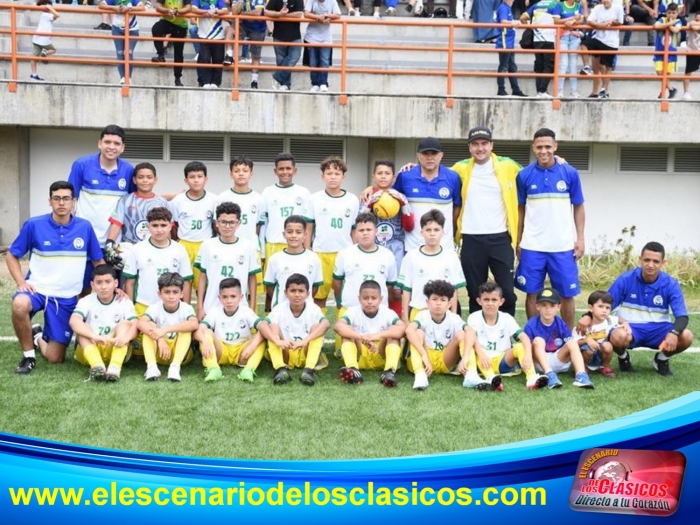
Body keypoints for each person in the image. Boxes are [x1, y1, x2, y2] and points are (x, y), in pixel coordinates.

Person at [8, 181, 104, 374]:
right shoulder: (34, 224)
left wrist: (110, 285)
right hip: (37, 289)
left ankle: (37, 336)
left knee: (55, 358)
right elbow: (12, 255)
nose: (62, 203)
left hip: (66, 296)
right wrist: (21, 282)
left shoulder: (84, 227)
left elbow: (97, 262)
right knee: (19, 304)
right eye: (57, 198)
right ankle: (28, 356)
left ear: (74, 201)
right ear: (49, 201)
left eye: (66, 198)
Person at [577, 242, 694, 376]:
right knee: (617, 335)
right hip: (630, 328)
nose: (650, 265)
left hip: (659, 328)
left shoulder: (671, 284)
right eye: (647, 260)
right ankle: (623, 357)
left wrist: (673, 333)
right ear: (640, 259)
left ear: (663, 262)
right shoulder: (626, 279)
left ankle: (661, 359)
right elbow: (605, 303)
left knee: (686, 336)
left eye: (656, 261)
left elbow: (682, 317)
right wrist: (587, 316)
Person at [515, 128, 585, 329]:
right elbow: (520, 210)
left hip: (562, 246)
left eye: (548, 146)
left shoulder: (569, 173)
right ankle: (533, 335)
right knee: (532, 293)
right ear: (533, 148)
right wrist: (518, 241)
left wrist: (580, 239)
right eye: (539, 147)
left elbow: (578, 206)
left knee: (566, 294)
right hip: (532, 245)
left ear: (555, 147)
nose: (543, 151)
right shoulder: (524, 175)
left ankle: (567, 338)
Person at [453, 126, 521, 317]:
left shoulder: (507, 165)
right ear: (469, 148)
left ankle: (506, 333)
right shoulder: (460, 168)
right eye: (475, 144)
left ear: (491, 145)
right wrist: (410, 167)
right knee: (475, 291)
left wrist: (557, 160)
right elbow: (434, 173)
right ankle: (476, 333)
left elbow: (534, 172)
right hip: (471, 239)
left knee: (507, 291)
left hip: (500, 238)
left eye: (484, 143)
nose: (480, 148)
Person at [68, 125, 136, 289]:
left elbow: (134, 201)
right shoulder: (82, 165)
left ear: (122, 147)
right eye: (107, 142)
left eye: (116, 143)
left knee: (112, 290)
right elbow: (70, 199)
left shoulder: (128, 170)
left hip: (114, 243)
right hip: (85, 239)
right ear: (100, 143)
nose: (111, 147)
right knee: (82, 288)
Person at [462, 281, 549, 391]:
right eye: (486, 300)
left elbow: (523, 337)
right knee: (470, 345)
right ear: (479, 301)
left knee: (519, 346)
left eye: (494, 300)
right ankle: (491, 378)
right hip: (482, 360)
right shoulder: (474, 317)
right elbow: (471, 338)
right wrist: (481, 354)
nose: (490, 303)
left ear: (501, 301)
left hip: (502, 361)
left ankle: (531, 377)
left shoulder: (507, 318)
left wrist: (528, 354)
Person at [359, 160, 414, 317]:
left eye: (387, 173)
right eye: (379, 173)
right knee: (373, 289)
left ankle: (395, 326)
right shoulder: (367, 196)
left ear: (393, 176)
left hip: (395, 248)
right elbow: (359, 223)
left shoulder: (399, 196)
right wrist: (369, 205)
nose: (383, 177)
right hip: (374, 248)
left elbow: (409, 226)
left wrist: (403, 203)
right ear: (373, 176)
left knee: (396, 291)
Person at [302, 156, 359, 310]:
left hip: (345, 253)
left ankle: (343, 332)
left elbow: (354, 230)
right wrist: (307, 251)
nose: (333, 177)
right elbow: (309, 228)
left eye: (337, 173)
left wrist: (356, 250)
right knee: (319, 296)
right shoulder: (314, 199)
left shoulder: (352, 199)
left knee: (345, 297)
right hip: (321, 253)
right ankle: (318, 331)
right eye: (329, 173)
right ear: (323, 176)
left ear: (343, 177)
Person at [123, 207, 194, 327]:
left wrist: (185, 308)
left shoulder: (179, 249)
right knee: (143, 343)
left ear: (170, 226)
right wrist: (131, 310)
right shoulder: (137, 249)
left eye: (163, 225)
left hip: (172, 308)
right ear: (148, 226)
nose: (159, 230)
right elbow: (130, 282)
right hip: (144, 305)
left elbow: (186, 282)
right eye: (155, 225)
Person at [194, 277, 273, 382]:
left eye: (233, 296)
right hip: (221, 352)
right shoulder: (214, 311)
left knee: (261, 335)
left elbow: (263, 326)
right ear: (219, 298)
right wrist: (204, 341)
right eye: (225, 297)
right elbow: (199, 330)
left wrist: (253, 345)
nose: (229, 301)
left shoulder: (246, 311)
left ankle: (248, 370)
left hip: (242, 352)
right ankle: (213, 369)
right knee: (206, 332)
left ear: (240, 297)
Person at [391, 137, 462, 252]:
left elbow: (457, 207)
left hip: (444, 246)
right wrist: (371, 189)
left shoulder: (453, 177)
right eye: (425, 153)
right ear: (418, 155)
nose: (429, 157)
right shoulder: (405, 176)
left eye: (434, 153)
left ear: (441, 155)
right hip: (413, 246)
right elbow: (391, 197)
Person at [259, 153, 310, 310]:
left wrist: (306, 248)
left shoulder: (304, 193)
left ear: (295, 170)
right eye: (281, 169)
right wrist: (262, 250)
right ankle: (271, 317)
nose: (285, 172)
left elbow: (308, 224)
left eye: (288, 168)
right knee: (272, 287)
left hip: (297, 245)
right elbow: (263, 223)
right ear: (275, 171)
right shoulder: (267, 192)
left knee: (298, 284)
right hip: (273, 244)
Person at [70, 264, 138, 381]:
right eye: (99, 282)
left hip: (116, 346)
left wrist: (125, 339)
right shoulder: (86, 301)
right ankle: (97, 365)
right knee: (83, 327)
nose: (104, 286)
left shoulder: (124, 301)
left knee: (125, 324)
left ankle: (115, 367)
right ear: (92, 285)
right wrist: (94, 336)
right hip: (92, 346)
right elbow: (73, 321)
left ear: (116, 283)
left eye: (108, 282)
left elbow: (136, 324)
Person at [398, 209, 466, 325]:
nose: (432, 233)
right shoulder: (411, 256)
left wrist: (454, 315)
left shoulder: (451, 256)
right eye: (428, 230)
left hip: (445, 313)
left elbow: (454, 290)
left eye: (436, 230)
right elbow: (406, 290)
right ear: (421, 232)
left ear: (443, 232)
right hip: (418, 311)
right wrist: (405, 317)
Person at [194, 202, 261, 318]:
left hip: (240, 307)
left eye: (231, 222)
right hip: (212, 306)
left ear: (238, 223)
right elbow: (202, 277)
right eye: (223, 222)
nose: (227, 226)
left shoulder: (248, 246)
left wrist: (252, 307)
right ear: (217, 223)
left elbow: (252, 278)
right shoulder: (207, 245)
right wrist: (200, 307)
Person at [334, 280, 406, 387]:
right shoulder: (352, 311)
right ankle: (353, 369)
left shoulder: (387, 312)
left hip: (380, 353)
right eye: (365, 298)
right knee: (347, 331)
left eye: (374, 298)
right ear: (359, 299)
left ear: (381, 299)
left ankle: (389, 372)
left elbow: (402, 328)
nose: (369, 301)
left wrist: (378, 335)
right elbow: (337, 326)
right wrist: (361, 337)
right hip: (361, 353)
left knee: (393, 332)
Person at [266, 273, 331, 386]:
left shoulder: (313, 308)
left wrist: (304, 341)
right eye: (293, 291)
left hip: (304, 350)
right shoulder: (279, 309)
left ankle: (309, 370)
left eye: (301, 291)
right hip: (285, 351)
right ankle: (280, 369)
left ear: (308, 294)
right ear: (285, 293)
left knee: (317, 327)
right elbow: (262, 325)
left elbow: (326, 324)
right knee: (272, 327)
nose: (297, 295)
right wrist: (278, 341)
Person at [524, 288, 595, 388]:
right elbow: (526, 347)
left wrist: (584, 341)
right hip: (539, 362)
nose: (548, 310)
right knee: (538, 340)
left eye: (552, 306)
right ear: (537, 306)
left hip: (558, 359)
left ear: (559, 307)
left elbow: (570, 344)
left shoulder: (560, 323)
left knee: (571, 342)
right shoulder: (531, 324)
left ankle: (581, 375)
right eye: (544, 305)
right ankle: (549, 375)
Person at [405, 280, 468, 391]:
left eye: (443, 300)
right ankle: (420, 375)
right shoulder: (422, 315)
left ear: (449, 304)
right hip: (425, 358)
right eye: (434, 299)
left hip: (445, 359)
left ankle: (470, 374)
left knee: (462, 334)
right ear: (427, 302)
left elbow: (471, 332)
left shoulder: (454, 318)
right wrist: (424, 354)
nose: (438, 303)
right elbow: (409, 330)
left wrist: (465, 356)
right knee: (418, 333)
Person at [332, 212, 398, 315]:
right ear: (355, 233)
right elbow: (337, 282)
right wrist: (339, 302)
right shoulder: (344, 254)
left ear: (376, 231)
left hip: (378, 312)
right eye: (361, 230)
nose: (365, 233)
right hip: (350, 310)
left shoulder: (387, 255)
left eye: (369, 230)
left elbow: (390, 285)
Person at [138, 272, 199, 381]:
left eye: (175, 292)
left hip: (181, 354)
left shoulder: (186, 308)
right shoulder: (155, 307)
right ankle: (152, 367)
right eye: (167, 292)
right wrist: (160, 338)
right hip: (160, 353)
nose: (171, 296)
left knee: (185, 329)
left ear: (181, 294)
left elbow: (194, 324)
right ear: (159, 294)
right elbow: (141, 323)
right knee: (149, 326)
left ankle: (175, 367)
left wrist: (164, 330)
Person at [218, 156, 265, 295]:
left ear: (251, 173)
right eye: (237, 170)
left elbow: (258, 227)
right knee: (228, 288)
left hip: (251, 248)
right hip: (227, 248)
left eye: (245, 170)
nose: (241, 173)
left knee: (251, 290)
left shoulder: (258, 199)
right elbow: (218, 226)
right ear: (231, 174)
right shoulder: (222, 197)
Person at [170, 161, 218, 294]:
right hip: (184, 244)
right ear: (186, 180)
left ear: (206, 179)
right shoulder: (177, 201)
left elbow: (215, 225)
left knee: (203, 284)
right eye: (192, 177)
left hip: (204, 244)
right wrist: (178, 242)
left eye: (199, 176)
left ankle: (202, 312)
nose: (196, 180)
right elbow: (174, 225)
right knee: (182, 282)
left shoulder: (214, 200)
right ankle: (184, 312)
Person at [263, 215, 323, 310]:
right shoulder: (275, 259)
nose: (294, 236)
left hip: (306, 311)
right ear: (284, 234)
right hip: (281, 311)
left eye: (298, 232)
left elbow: (314, 287)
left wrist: (300, 300)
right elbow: (270, 287)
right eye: (290, 232)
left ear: (305, 235)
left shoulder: (313, 258)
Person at [105, 162, 170, 249]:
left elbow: (168, 228)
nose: (145, 180)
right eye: (140, 177)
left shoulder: (162, 202)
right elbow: (116, 224)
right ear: (134, 180)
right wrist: (109, 244)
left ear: (155, 180)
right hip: (130, 250)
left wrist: (168, 249)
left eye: (149, 177)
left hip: (155, 250)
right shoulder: (125, 200)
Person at [573, 290, 625, 378]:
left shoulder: (608, 320)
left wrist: (625, 324)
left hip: (600, 351)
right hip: (586, 352)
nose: (604, 311)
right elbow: (574, 343)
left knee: (608, 345)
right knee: (588, 349)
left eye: (607, 308)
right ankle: (583, 367)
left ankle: (605, 366)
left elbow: (619, 319)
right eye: (600, 306)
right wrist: (587, 340)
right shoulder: (583, 325)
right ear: (591, 308)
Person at [583, 0, 625, 99]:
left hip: (611, 42)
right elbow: (589, 20)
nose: (605, 1)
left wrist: (611, 22)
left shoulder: (618, 7)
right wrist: (600, 25)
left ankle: (604, 91)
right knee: (585, 46)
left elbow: (620, 22)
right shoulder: (597, 8)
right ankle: (587, 69)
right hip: (598, 39)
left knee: (607, 68)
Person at [520, 0, 561, 98]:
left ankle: (539, 91)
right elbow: (557, 20)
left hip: (536, 39)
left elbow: (522, 18)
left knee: (539, 65)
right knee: (548, 66)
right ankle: (542, 91)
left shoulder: (536, 5)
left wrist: (530, 28)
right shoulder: (555, 4)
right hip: (548, 39)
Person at [100, 0, 145, 84]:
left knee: (128, 52)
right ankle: (122, 77)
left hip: (132, 28)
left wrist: (129, 8)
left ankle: (128, 77)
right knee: (120, 52)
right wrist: (114, 8)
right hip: (117, 28)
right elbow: (101, 5)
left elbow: (142, 7)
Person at [265, 0, 305, 90]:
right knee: (281, 61)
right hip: (279, 35)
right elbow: (267, 11)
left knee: (295, 56)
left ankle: (276, 77)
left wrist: (283, 15)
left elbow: (299, 14)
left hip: (295, 35)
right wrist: (279, 14)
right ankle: (285, 84)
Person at [227, 0, 267, 89]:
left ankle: (254, 81)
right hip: (243, 25)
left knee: (255, 55)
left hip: (258, 28)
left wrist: (242, 13)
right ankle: (229, 54)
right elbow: (234, 12)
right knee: (230, 29)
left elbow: (258, 13)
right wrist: (239, 5)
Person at [151, 0, 192, 87]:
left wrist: (177, 11)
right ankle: (161, 55)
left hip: (180, 25)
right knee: (156, 29)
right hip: (168, 21)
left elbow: (188, 7)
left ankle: (177, 78)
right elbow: (158, 6)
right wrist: (167, 10)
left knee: (178, 52)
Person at [304, 0, 341, 93]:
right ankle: (315, 84)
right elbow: (306, 13)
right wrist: (318, 17)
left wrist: (325, 16)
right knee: (313, 62)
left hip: (326, 37)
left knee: (325, 61)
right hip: (311, 36)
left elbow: (338, 15)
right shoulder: (311, 1)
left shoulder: (332, 1)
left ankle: (323, 83)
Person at [191, 0, 228, 88]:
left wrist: (215, 11)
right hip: (204, 35)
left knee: (218, 59)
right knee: (205, 58)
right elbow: (194, 9)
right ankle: (206, 81)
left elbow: (225, 10)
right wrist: (206, 11)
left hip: (218, 35)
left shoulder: (218, 0)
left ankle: (216, 82)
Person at [495, 0, 527, 97]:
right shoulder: (503, 8)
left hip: (509, 42)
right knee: (504, 66)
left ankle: (515, 89)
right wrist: (512, 23)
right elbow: (503, 21)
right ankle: (501, 89)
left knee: (512, 67)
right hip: (505, 42)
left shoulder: (507, 8)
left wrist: (512, 24)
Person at [554, 0, 584, 98]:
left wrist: (571, 22)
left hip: (574, 37)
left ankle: (573, 91)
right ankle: (559, 91)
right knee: (563, 64)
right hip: (562, 37)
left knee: (573, 64)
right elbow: (556, 21)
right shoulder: (560, 5)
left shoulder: (578, 5)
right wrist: (572, 19)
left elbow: (581, 20)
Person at [653, 3, 682, 98]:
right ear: (666, 13)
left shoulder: (678, 21)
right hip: (659, 51)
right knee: (659, 72)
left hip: (671, 52)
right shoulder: (662, 19)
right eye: (669, 13)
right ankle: (671, 89)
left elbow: (676, 30)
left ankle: (663, 93)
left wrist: (666, 25)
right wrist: (669, 23)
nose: (671, 15)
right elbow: (656, 26)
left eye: (673, 13)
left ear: (677, 13)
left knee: (666, 74)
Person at [30, 0, 60, 82]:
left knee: (33, 58)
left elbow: (55, 17)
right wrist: (50, 8)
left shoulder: (46, 15)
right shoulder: (45, 15)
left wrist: (50, 9)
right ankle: (45, 52)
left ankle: (34, 74)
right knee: (53, 50)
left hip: (37, 39)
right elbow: (58, 15)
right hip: (43, 40)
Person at [682, 10, 700, 99]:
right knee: (688, 72)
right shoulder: (691, 22)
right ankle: (686, 92)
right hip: (692, 51)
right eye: (697, 20)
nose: (698, 21)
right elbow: (694, 27)